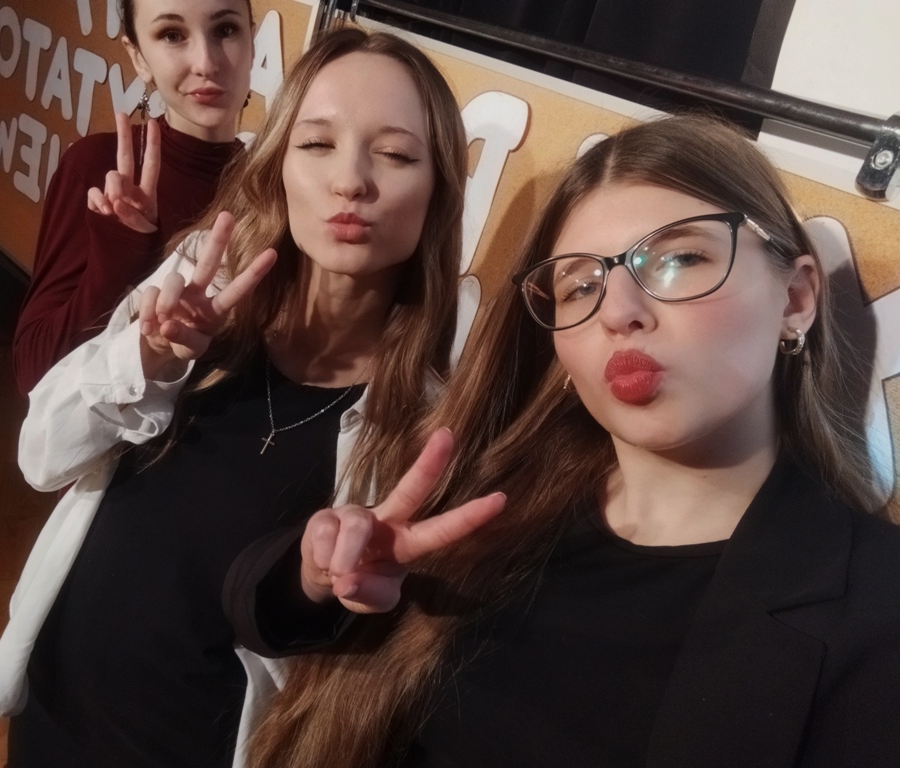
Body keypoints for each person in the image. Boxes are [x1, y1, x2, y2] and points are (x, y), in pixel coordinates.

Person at [232, 114, 900, 768]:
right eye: (580, 285)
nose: (618, 312)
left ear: (796, 298)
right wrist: (320, 577)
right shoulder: (489, 504)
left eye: (679, 260)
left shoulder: (875, 608)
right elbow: (251, 611)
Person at [0, 27, 489, 768]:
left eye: (397, 154)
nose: (351, 181)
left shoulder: (430, 413)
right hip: (56, 716)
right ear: (278, 166)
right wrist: (146, 358)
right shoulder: (200, 289)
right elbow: (41, 456)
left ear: (439, 190)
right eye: (317, 144)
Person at [12, 0, 255, 394]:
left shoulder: (272, 183)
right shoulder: (96, 167)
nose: (206, 63)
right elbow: (34, 373)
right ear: (139, 56)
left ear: (252, 41)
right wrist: (118, 255)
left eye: (226, 30)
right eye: (172, 35)